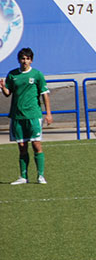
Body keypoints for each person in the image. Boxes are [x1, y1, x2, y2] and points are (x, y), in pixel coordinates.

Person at [0, 47, 52, 184]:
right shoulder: (12, 75)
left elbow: (45, 94)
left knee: (36, 144)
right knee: (22, 147)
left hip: (33, 115)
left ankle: (40, 176)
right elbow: (8, 93)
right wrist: (3, 87)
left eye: (27, 59)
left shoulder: (37, 75)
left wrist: (48, 113)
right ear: (19, 60)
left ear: (31, 60)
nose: (25, 61)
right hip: (17, 116)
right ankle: (23, 177)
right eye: (23, 58)